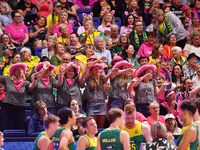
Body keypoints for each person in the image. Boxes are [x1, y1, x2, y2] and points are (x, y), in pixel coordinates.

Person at [0, 63, 44, 131]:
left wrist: (35, 79)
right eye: (17, 70)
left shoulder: (25, 83)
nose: (20, 71)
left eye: (21, 69)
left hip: (20, 107)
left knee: (19, 127)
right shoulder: (7, 80)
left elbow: (31, 87)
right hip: (7, 106)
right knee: (3, 126)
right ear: (14, 72)